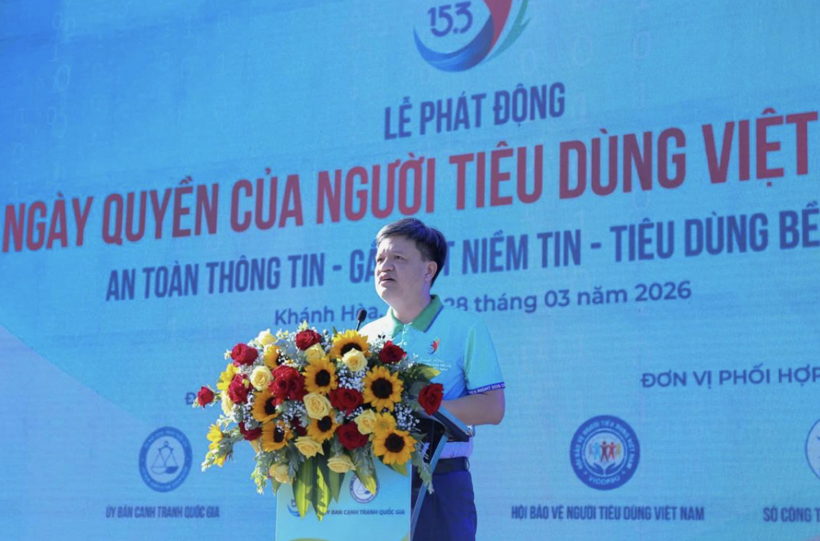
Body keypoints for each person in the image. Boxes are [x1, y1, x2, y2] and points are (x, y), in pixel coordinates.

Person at [359, 218, 505, 541]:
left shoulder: (464, 327)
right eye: (380, 259)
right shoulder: (364, 337)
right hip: (374, 482)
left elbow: (492, 408)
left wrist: (419, 409)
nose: (385, 266)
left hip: (440, 482)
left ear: (429, 270)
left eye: (398, 258)